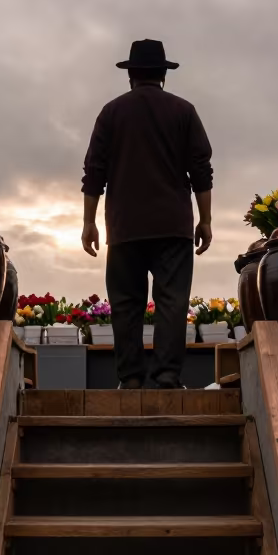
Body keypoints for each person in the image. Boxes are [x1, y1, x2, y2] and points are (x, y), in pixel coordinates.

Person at [80, 39, 214, 390]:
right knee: (172, 300)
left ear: (131, 76)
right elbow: (201, 169)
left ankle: (131, 379)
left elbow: (94, 171)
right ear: (163, 75)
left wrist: (88, 222)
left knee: (126, 304)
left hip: (125, 226)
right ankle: (168, 377)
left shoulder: (111, 112)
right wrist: (206, 220)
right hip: (173, 225)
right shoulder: (184, 111)